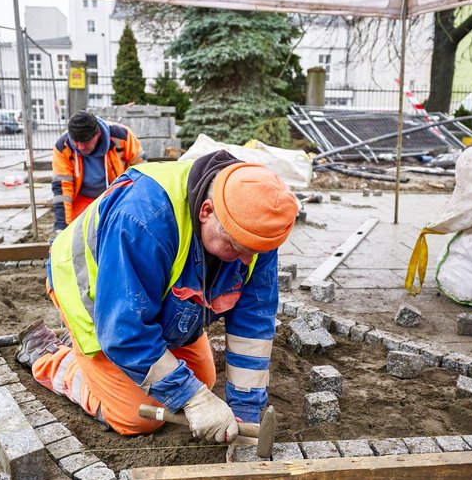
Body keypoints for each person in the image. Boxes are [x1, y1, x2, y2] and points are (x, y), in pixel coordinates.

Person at [18, 149, 299, 453]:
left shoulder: (254, 229)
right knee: (136, 417)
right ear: (206, 211)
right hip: (96, 299)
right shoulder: (143, 219)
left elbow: (253, 324)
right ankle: (51, 358)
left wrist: (245, 414)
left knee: (202, 378)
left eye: (253, 250)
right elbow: (124, 332)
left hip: (159, 303)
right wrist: (192, 398)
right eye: (235, 246)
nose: (246, 260)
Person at [51, 110, 146, 233]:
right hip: (81, 199)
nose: (80, 147)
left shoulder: (122, 136)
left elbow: (141, 170)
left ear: (98, 134)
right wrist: (61, 227)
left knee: (120, 231)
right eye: (76, 143)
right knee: (78, 234)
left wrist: (140, 206)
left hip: (116, 196)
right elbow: (62, 188)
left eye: (85, 143)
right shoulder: (63, 146)